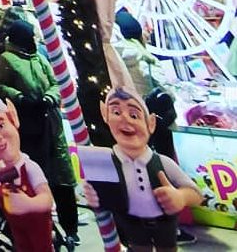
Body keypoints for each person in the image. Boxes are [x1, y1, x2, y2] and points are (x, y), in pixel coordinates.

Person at [83, 86, 201, 252]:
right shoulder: (107, 163)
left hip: (164, 225)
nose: (125, 119)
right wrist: (96, 198)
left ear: (150, 123)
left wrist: (180, 197)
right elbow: (103, 198)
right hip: (132, 225)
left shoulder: (161, 162)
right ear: (105, 115)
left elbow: (196, 194)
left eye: (134, 115)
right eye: (116, 112)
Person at [0, 18, 79, 243]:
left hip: (51, 122)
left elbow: (55, 83)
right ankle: (43, 224)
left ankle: (70, 227)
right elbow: (1, 86)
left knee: (62, 176)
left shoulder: (40, 57)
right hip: (29, 125)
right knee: (38, 174)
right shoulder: (7, 59)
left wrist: (49, 98)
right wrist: (21, 98)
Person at [0, 92, 55, 252]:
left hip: (38, 227)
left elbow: (47, 200)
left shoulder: (30, 167)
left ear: (14, 120)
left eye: (0, 126)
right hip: (15, 228)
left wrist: (29, 204)